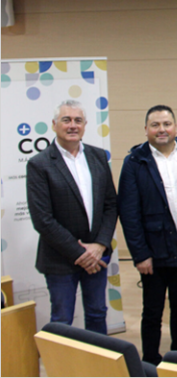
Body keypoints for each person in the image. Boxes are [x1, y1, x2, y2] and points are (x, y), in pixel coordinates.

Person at [117, 105, 177, 365]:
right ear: (146, 129)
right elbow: (128, 213)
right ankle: (150, 360)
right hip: (152, 250)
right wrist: (140, 254)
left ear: (175, 127)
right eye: (155, 125)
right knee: (152, 310)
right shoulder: (134, 161)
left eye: (166, 124)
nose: (161, 130)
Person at [27, 100, 118, 334]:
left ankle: (98, 366)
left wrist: (99, 245)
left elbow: (110, 205)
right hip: (59, 258)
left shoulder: (98, 157)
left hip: (97, 255)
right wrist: (82, 254)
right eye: (66, 120)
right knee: (61, 319)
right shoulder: (39, 164)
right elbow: (42, 219)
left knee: (98, 313)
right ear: (54, 125)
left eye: (78, 120)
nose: (72, 125)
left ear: (85, 125)